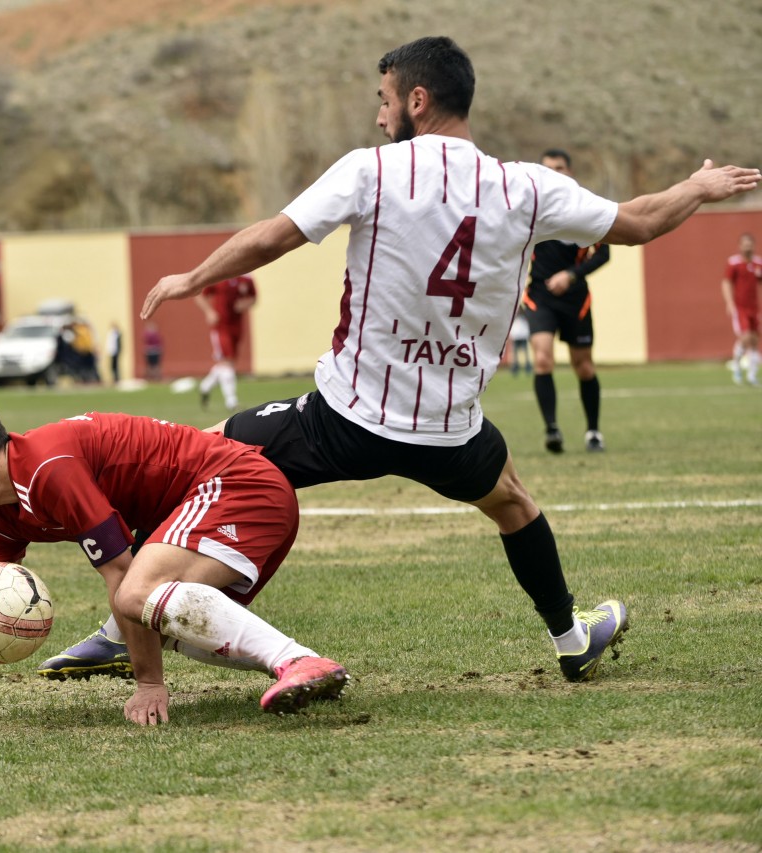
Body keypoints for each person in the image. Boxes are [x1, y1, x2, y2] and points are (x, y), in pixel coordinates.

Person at [39, 35, 760, 687]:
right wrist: (696, 188)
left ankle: (120, 627)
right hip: (450, 432)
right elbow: (636, 223)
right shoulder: (527, 187)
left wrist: (194, 277)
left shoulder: (370, 172)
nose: (380, 117)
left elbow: (273, 237)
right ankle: (571, 638)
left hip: (343, 417)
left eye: (385, 101)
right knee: (512, 502)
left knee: (210, 455)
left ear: (418, 100)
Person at [0, 386, 347, 731]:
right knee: (174, 628)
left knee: (136, 595)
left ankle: (299, 661)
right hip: (223, 499)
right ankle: (299, 669)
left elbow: (122, 573)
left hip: (237, 485)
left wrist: (149, 684)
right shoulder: (2, 513)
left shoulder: (47, 469)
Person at [522, 149, 613, 453]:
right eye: (547, 168)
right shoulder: (530, 208)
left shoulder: (585, 208)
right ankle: (552, 430)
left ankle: (593, 432)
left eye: (559, 168)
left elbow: (604, 253)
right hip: (539, 297)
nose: (554, 173)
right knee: (543, 359)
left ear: (570, 171)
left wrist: (570, 275)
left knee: (584, 367)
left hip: (576, 299)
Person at [195, 274, 256, 410]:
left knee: (229, 363)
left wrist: (245, 304)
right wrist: (209, 312)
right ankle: (231, 401)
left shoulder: (246, 278)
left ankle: (205, 386)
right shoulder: (220, 276)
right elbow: (199, 295)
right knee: (226, 362)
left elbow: (253, 298)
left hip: (237, 327)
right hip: (221, 326)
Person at [720, 232, 761, 385]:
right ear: (740, 246)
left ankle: (752, 375)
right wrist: (729, 302)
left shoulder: (758, 263)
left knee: (755, 340)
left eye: (750, 243)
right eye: (744, 243)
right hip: (740, 307)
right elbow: (726, 283)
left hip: (754, 308)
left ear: (753, 245)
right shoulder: (734, 263)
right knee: (745, 338)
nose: (747, 246)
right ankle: (736, 365)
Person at [508, 307, 531, 377]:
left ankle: (528, 369)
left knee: (526, 355)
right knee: (515, 356)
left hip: (523, 336)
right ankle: (515, 370)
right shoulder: (513, 317)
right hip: (516, 337)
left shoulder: (525, 317)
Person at [106, 321, 123, 385]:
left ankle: (117, 378)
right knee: (112, 366)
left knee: (116, 366)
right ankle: (114, 378)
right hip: (112, 352)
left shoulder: (117, 334)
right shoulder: (111, 333)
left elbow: (118, 344)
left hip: (116, 352)